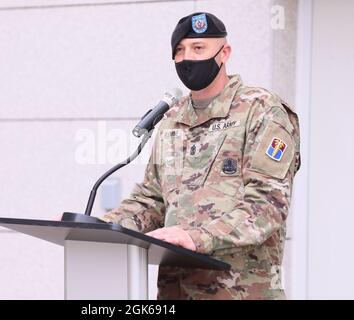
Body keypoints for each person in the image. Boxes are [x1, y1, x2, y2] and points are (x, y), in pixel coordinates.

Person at [99, 12, 301, 300]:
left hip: (240, 293)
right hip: (175, 292)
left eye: (198, 48)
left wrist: (197, 237)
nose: (187, 58)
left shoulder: (262, 110)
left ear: (224, 53)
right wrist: (102, 228)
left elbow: (266, 205)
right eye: (179, 51)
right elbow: (152, 200)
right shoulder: (172, 119)